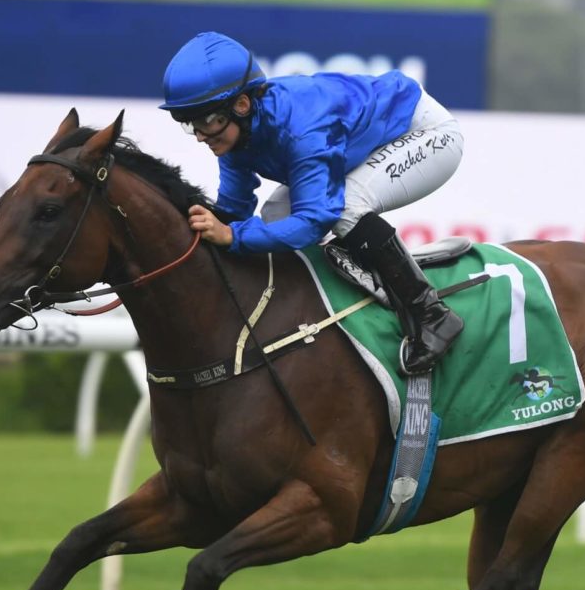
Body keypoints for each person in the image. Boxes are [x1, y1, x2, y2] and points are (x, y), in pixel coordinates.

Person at [159, 31, 465, 375]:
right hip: (361, 143)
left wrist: (231, 236)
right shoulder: (235, 132)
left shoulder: (302, 129)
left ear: (241, 105)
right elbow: (234, 209)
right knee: (275, 215)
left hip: (425, 132)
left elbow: (314, 221)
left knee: (346, 207)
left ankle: (432, 315)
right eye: (190, 124)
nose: (200, 135)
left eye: (205, 121)